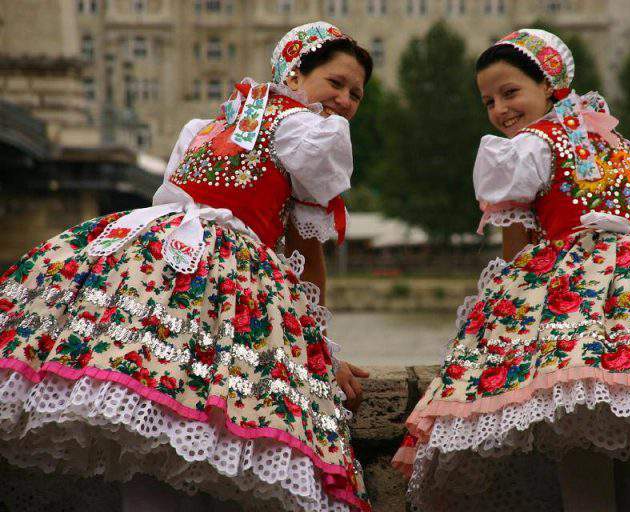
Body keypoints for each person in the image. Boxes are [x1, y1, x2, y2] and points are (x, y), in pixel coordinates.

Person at [0, 21, 372, 512]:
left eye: (356, 93)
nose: (345, 99)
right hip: (225, 279)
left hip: (157, 269)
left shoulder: (208, 125)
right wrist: (321, 350)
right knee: (214, 422)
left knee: (156, 409)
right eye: (336, 83)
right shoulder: (308, 133)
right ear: (294, 77)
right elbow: (308, 261)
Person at [393, 28, 630, 511]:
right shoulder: (622, 142)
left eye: (510, 93)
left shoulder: (535, 146)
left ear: (549, 84)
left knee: (583, 419)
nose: (499, 110)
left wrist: (506, 323)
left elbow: (517, 253)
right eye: (488, 101)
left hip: (598, 292)